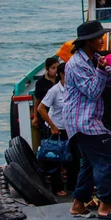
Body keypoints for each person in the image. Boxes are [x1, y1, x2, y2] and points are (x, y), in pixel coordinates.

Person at [63, 20, 111, 220]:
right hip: (81, 121)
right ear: (87, 41)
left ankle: (77, 204)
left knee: (90, 163)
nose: (102, 40)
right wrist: (102, 70)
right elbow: (93, 92)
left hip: (88, 119)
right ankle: (105, 205)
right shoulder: (75, 64)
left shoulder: (95, 58)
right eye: (98, 37)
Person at [37, 63, 79, 195]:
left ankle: (73, 185)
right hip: (57, 128)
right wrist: (53, 126)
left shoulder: (74, 88)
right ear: (62, 75)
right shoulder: (54, 90)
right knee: (55, 159)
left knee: (74, 158)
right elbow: (41, 108)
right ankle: (57, 188)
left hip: (72, 129)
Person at [32, 57, 59, 133]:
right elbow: (37, 100)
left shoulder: (60, 80)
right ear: (47, 69)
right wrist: (35, 117)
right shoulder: (40, 82)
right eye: (53, 68)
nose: (56, 70)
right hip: (45, 112)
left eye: (57, 67)